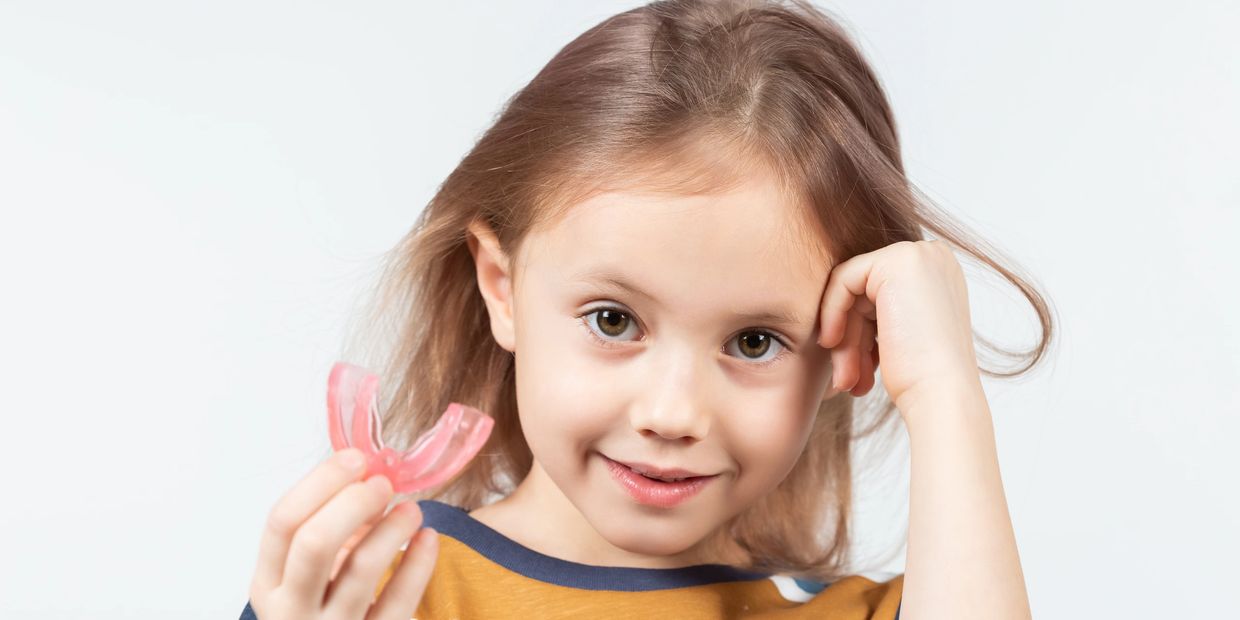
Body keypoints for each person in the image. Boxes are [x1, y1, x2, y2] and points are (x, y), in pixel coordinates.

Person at [241, 0, 1052, 617]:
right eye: (614, 321)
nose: (673, 413)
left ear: (851, 346)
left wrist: (947, 397)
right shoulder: (378, 588)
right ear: (501, 286)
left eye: (756, 341)